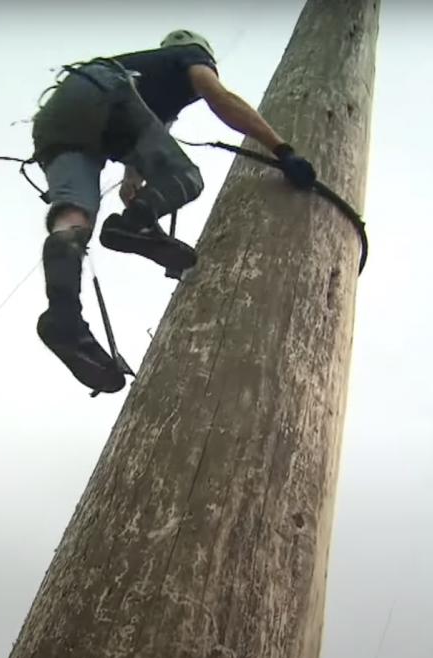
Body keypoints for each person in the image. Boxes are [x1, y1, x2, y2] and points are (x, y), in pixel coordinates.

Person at [29, 29, 317, 394]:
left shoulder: (146, 83)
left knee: (73, 221)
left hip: (58, 117)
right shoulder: (189, 55)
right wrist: (282, 150)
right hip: (107, 91)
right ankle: (135, 228)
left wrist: (136, 197)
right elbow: (219, 97)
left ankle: (63, 316)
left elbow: (132, 181)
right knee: (186, 177)